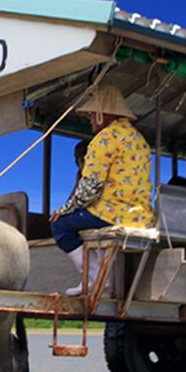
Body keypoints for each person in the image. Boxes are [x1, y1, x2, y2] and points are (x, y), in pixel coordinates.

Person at [50, 85, 153, 295]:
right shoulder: (140, 140)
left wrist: (64, 209)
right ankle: (104, 276)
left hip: (111, 213)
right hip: (141, 216)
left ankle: (94, 277)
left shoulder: (104, 139)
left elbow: (90, 188)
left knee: (60, 225)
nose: (89, 118)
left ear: (102, 113)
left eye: (91, 113)